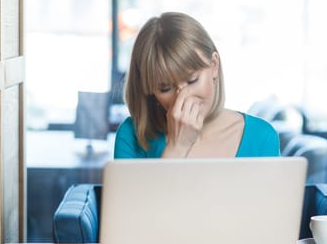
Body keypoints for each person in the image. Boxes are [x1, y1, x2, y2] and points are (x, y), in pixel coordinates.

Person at [114, 12, 280, 158]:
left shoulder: (262, 137)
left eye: (192, 80)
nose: (182, 97)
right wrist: (177, 148)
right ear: (151, 92)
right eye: (165, 88)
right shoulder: (132, 137)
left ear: (214, 65)